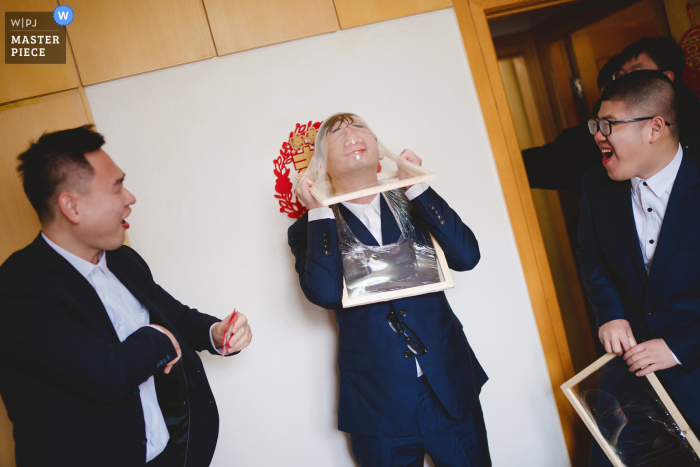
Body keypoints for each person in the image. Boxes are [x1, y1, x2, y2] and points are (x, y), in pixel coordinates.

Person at [0, 125, 253, 467]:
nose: (130, 198)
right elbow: (105, 373)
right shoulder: (19, 286)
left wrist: (215, 332)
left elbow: (170, 314)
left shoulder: (122, 258)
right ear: (71, 207)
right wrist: (160, 339)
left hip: (163, 454)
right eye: (117, 187)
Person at [288, 113, 490, 467]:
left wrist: (417, 184)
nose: (350, 132)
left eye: (358, 126)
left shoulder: (413, 200)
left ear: (380, 152)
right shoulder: (309, 228)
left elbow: (467, 256)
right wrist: (318, 212)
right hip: (377, 405)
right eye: (336, 132)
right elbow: (324, 293)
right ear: (321, 166)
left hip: (449, 385)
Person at [577, 70, 700, 465]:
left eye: (609, 124)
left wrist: (680, 348)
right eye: (596, 123)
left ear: (655, 128)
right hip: (630, 371)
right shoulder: (596, 185)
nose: (598, 134)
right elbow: (591, 256)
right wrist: (609, 314)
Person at [524, 36, 700, 197]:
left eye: (636, 73)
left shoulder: (692, 125)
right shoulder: (591, 152)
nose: (623, 83)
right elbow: (544, 164)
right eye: (620, 76)